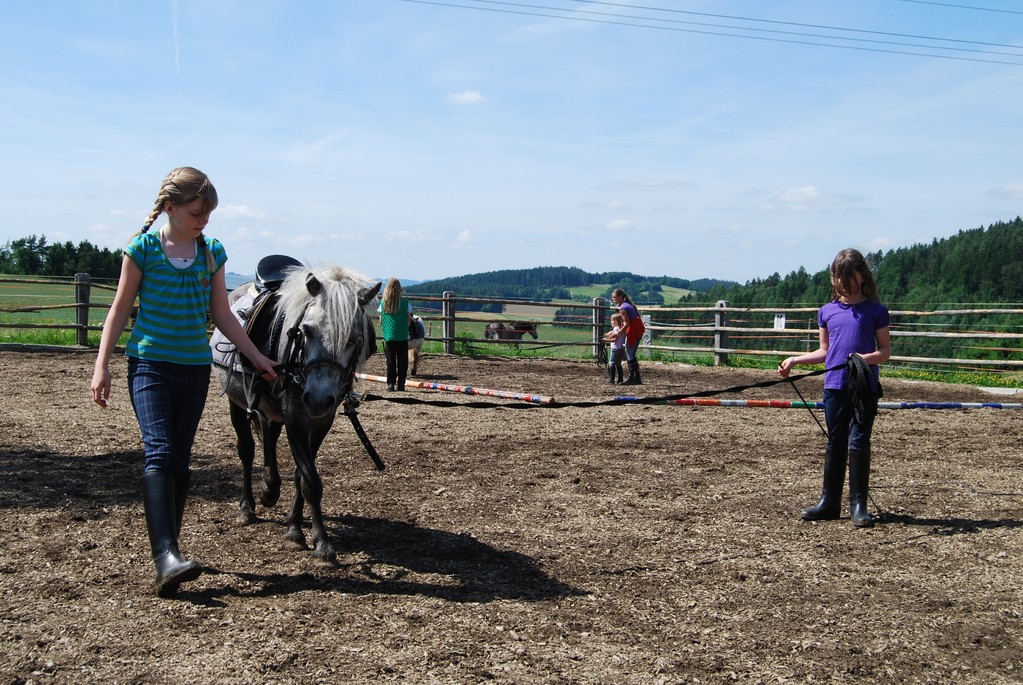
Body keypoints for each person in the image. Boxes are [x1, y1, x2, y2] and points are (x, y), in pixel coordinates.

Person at [90, 167, 279, 595]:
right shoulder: (142, 249)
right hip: (149, 365)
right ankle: (166, 557)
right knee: (160, 451)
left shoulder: (211, 252)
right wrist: (102, 365)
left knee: (180, 458)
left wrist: (257, 357)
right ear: (170, 208)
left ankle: (168, 555)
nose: (203, 220)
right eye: (196, 213)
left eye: (208, 214)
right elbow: (119, 311)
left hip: (195, 367)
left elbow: (224, 315)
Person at [778, 248, 891, 528]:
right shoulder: (826, 312)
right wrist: (795, 359)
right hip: (835, 386)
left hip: (863, 386)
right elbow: (825, 351)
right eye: (838, 276)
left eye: (847, 276)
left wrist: (862, 359)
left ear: (862, 276)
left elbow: (885, 351)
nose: (842, 282)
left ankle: (858, 505)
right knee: (835, 442)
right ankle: (829, 502)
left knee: (859, 442)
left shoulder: (876, 311)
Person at [378, 277, 413, 391]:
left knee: (390, 361)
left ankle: (390, 384)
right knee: (403, 360)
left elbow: (381, 320)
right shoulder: (406, 302)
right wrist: (403, 328)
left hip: (389, 336)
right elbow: (409, 319)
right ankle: (401, 383)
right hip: (402, 335)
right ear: (400, 288)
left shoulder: (383, 303)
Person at [611, 288, 645, 385]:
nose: (613, 299)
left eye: (614, 297)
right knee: (631, 353)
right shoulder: (627, 304)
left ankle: (632, 378)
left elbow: (627, 324)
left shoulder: (622, 308)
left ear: (620, 297)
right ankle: (636, 378)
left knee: (629, 353)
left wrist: (618, 332)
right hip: (638, 328)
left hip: (634, 330)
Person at [602, 312, 626, 384]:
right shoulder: (620, 329)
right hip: (621, 348)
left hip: (615, 349)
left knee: (611, 363)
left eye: (612, 320)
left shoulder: (616, 329)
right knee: (618, 364)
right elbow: (615, 334)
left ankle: (611, 380)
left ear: (615, 321)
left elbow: (615, 340)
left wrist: (605, 340)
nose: (611, 322)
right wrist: (610, 332)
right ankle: (620, 379)